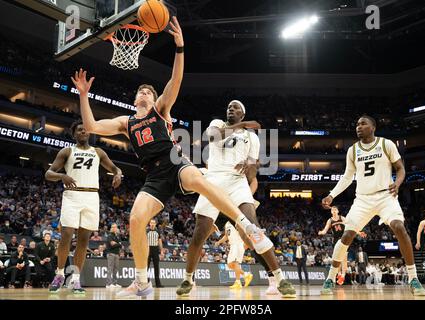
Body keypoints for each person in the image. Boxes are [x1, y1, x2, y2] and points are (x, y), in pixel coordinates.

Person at [71, 17, 269, 298]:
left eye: (149, 92)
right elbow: (91, 127)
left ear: (154, 100)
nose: (145, 92)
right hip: (153, 175)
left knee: (200, 180)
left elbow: (175, 80)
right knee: (136, 220)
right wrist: (83, 96)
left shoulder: (160, 110)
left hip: (174, 161)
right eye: (141, 91)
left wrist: (179, 47)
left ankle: (246, 223)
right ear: (135, 98)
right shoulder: (125, 123)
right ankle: (141, 282)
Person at [176, 100, 295, 298]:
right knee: (199, 233)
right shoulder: (217, 124)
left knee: (253, 228)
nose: (231, 109)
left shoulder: (252, 138)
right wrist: (242, 125)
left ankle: (280, 278)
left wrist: (251, 167)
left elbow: (252, 170)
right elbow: (213, 137)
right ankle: (188, 278)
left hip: (237, 182)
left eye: (236, 107)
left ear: (243, 113)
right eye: (229, 107)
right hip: (213, 180)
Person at [320, 115, 425, 296]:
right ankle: (330, 278)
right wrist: (331, 195)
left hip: (386, 196)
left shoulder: (386, 144)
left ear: (373, 127)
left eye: (363, 124)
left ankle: (413, 278)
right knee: (346, 236)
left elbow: (400, 168)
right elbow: (347, 177)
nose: (358, 127)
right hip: (362, 199)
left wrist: (398, 183)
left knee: (399, 227)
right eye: (357, 124)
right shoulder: (353, 150)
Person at [45, 119, 122, 294]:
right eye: (79, 130)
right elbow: (48, 173)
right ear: (74, 134)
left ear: (90, 133)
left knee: (83, 240)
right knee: (66, 235)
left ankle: (76, 279)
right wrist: (61, 176)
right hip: (72, 195)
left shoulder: (98, 152)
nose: (83, 132)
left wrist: (118, 174)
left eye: (85, 130)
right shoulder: (67, 151)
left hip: (91, 196)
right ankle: (59, 275)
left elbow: (115, 168)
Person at [318, 206, 367, 285]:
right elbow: (325, 230)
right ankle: (339, 274)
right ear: (331, 212)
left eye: (335, 210)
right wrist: (321, 232)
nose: (333, 211)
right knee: (337, 259)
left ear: (337, 211)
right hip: (336, 240)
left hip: (344, 239)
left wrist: (359, 232)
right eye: (332, 210)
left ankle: (343, 275)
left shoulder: (342, 218)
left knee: (344, 258)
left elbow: (351, 225)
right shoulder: (330, 220)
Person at [215, 221, 253, 289]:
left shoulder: (236, 220)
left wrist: (246, 244)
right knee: (230, 264)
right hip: (232, 245)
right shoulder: (226, 223)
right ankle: (246, 275)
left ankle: (238, 282)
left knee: (235, 263)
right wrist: (219, 242)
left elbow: (246, 233)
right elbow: (227, 236)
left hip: (238, 244)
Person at [147, 219, 164, 288]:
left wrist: (161, 251)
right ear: (149, 224)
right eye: (151, 223)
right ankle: (144, 282)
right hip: (148, 249)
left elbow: (159, 241)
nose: (152, 224)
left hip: (155, 249)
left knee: (156, 267)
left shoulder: (158, 231)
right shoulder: (146, 231)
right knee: (146, 267)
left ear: (155, 224)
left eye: (154, 223)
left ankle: (158, 284)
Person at [106, 223, 122, 289]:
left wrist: (117, 244)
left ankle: (114, 283)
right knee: (110, 269)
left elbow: (121, 244)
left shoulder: (118, 236)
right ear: (111, 228)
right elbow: (112, 244)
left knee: (115, 269)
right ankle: (108, 284)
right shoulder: (110, 236)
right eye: (113, 227)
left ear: (117, 228)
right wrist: (118, 244)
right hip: (111, 253)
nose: (114, 228)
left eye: (115, 227)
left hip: (117, 254)